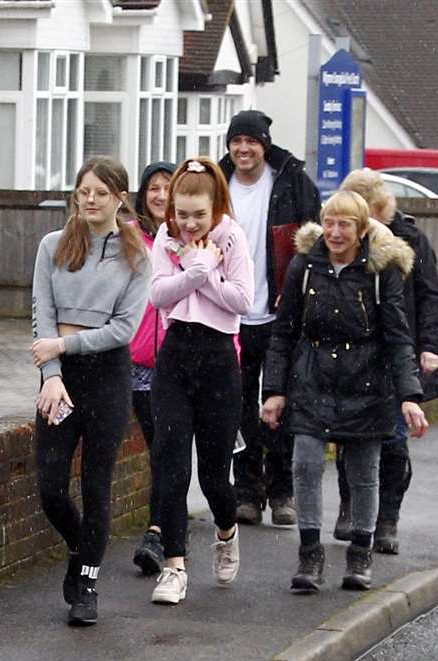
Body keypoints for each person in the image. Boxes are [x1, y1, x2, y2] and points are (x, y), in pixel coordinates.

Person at [260, 190, 428, 593]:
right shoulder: (304, 266)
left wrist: (410, 395)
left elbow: (398, 338)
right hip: (313, 377)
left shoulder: (380, 271)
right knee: (305, 463)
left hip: (367, 381)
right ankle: (310, 554)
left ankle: (360, 555)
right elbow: (283, 332)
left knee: (363, 473)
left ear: (362, 229)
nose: (335, 233)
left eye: (345, 225)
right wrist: (274, 390)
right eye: (330, 223)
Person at [29, 156, 148, 625]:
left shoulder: (137, 256)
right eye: (85, 190)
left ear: (120, 198)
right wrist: (51, 372)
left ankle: (89, 585)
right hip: (61, 376)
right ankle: (79, 548)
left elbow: (123, 330)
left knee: (97, 483)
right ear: (76, 195)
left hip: (107, 378)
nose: (92, 199)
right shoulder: (52, 246)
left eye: (102, 192)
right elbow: (42, 312)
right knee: (51, 485)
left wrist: (65, 341)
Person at [144, 157, 253, 606]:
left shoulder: (233, 238)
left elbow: (242, 300)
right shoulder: (166, 241)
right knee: (171, 467)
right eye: (181, 214)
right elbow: (157, 294)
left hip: (218, 360)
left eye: (198, 215)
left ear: (217, 207)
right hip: (175, 357)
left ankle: (226, 531)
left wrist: (200, 272)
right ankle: (174, 566)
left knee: (213, 476)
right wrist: (193, 270)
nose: (188, 225)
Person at [333, 168, 438, 555]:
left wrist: (430, 344)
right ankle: (351, 507)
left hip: (396, 355)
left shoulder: (412, 240)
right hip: (352, 356)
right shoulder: (338, 243)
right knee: (350, 437)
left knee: (394, 441)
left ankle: (387, 519)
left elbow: (431, 296)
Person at [218, 109, 321, 527]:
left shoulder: (292, 183)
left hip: (280, 314)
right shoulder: (215, 183)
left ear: (264, 146)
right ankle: (246, 491)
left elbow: (314, 245)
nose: (244, 149)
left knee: (281, 402)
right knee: (238, 407)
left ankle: (282, 492)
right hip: (229, 314)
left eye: (252, 141)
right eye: (237, 141)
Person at [128, 160, 176, 577]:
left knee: (165, 449)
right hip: (132, 362)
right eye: (153, 188)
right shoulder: (130, 239)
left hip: (174, 363)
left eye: (168, 187)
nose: (160, 195)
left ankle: (159, 534)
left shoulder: (189, 241)